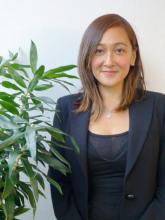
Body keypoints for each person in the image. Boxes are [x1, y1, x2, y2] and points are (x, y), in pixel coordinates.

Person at [48, 14, 165, 220]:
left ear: (133, 56)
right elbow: (59, 181)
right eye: (99, 51)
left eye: (119, 50)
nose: (109, 61)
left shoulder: (159, 107)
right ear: (88, 57)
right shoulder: (65, 108)